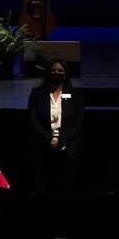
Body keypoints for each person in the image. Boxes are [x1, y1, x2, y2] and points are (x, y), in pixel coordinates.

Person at [26, 59, 83, 194]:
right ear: (48, 73)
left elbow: (78, 122)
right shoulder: (37, 93)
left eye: (60, 71)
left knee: (65, 189)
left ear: (65, 74)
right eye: (53, 70)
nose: (56, 73)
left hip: (68, 148)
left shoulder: (75, 95)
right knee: (43, 189)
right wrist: (49, 138)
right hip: (43, 147)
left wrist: (60, 139)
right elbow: (32, 119)